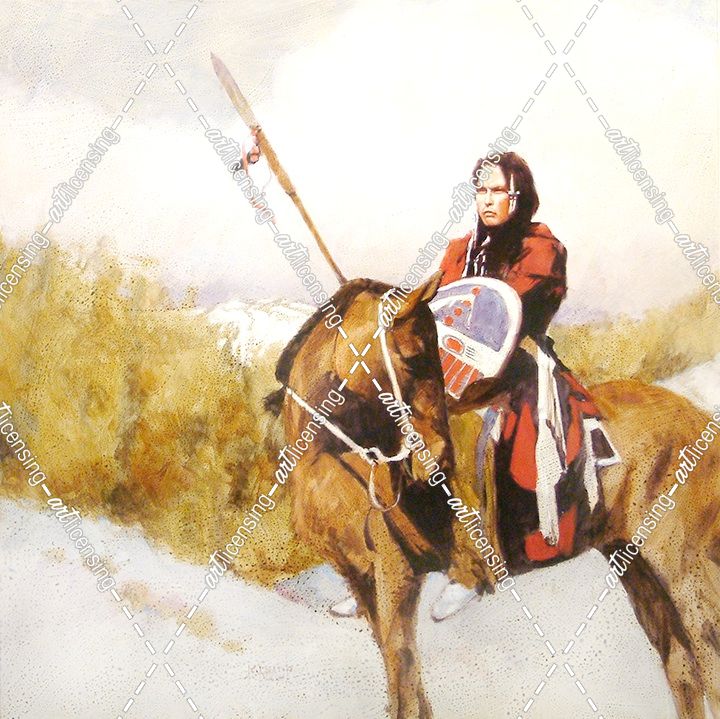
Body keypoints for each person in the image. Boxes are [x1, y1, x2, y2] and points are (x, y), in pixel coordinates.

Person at [430, 151, 614, 621]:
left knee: (504, 433)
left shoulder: (540, 248)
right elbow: (441, 305)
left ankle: (481, 564)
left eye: (498, 191)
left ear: (519, 197)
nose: (487, 200)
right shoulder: (460, 250)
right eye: (481, 190)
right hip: (454, 366)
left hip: (517, 365)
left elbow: (510, 310)